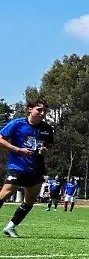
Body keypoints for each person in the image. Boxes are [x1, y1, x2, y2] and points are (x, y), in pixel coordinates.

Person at [0, 100, 55, 238]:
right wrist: (17, 149)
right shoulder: (17, 124)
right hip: (17, 166)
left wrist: (45, 150)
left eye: (44, 111)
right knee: (5, 194)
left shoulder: (47, 128)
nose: (42, 113)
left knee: (29, 201)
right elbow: (1, 139)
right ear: (30, 109)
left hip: (36, 168)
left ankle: (11, 227)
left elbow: (50, 146)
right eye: (39, 110)